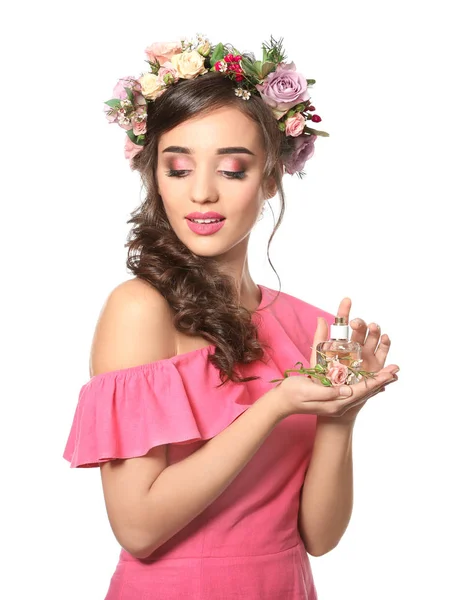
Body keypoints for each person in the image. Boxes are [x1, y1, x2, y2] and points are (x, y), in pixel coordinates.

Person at [62, 34, 400, 600]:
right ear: (154, 176)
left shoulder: (308, 326)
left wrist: (341, 415)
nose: (201, 193)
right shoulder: (140, 310)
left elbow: (319, 537)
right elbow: (138, 528)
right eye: (178, 168)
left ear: (270, 178)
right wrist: (275, 406)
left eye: (233, 171)